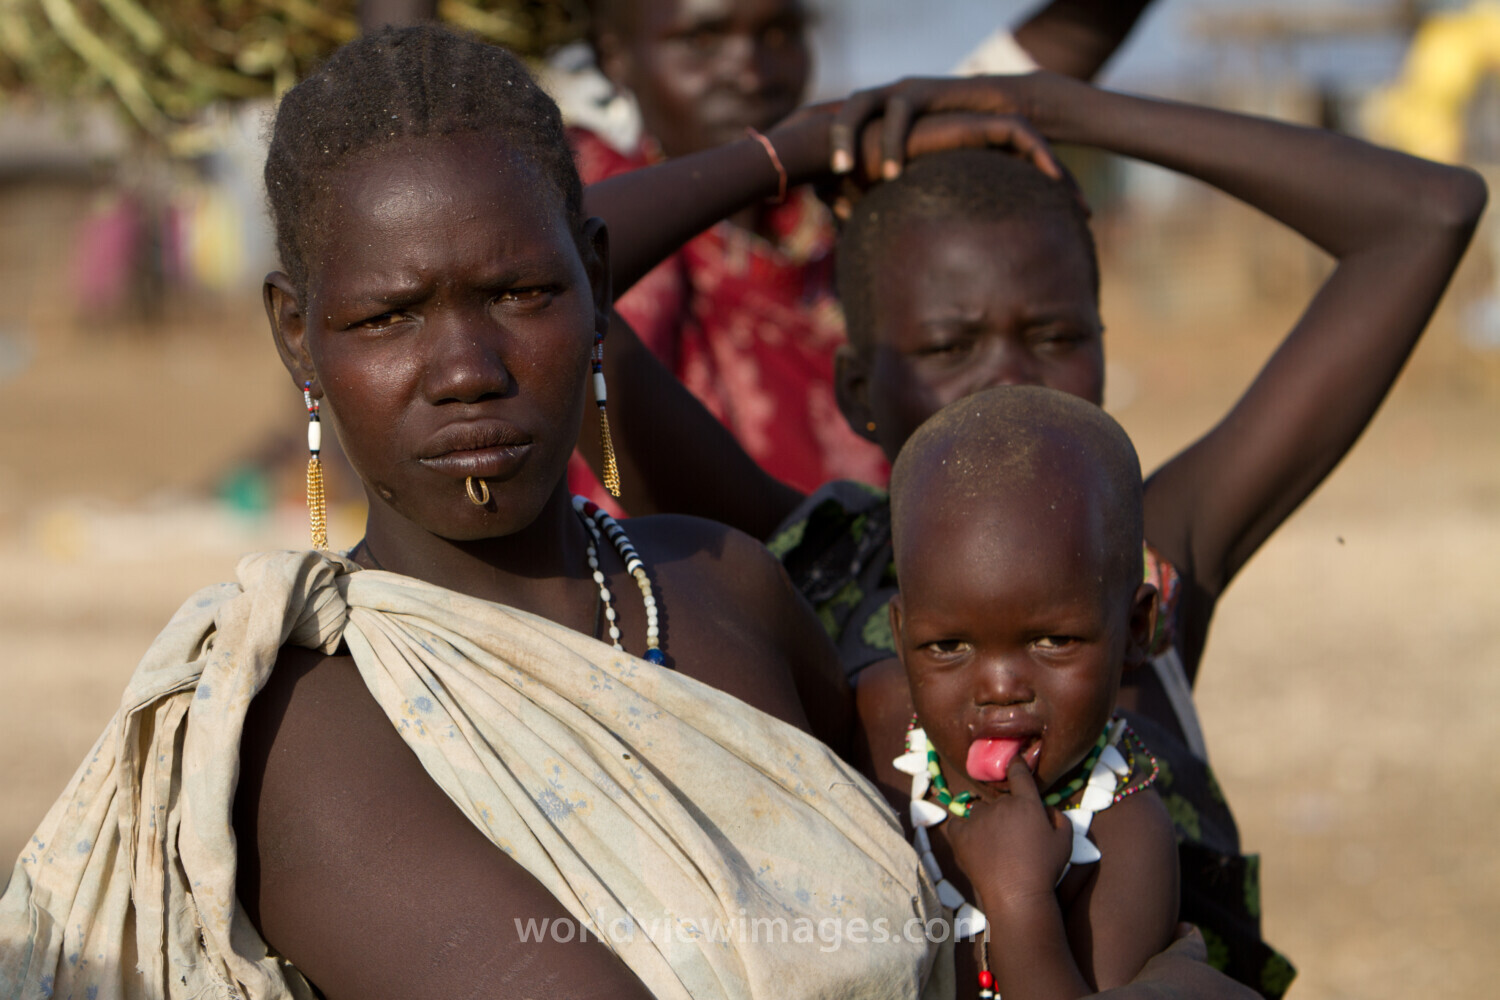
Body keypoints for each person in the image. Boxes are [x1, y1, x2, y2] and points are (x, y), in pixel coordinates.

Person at [0, 27, 1257, 1000]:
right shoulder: (313, 731)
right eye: (389, 316)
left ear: (597, 285)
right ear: (298, 335)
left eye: (522, 290)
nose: (466, 366)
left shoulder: (726, 584)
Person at [577, 70, 1488, 995]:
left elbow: (1431, 211)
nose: (1009, 378)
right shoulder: (799, 564)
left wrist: (1059, 109)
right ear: (858, 391)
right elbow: (553, 274)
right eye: (947, 348)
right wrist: (793, 152)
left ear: (1134, 623)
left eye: (1054, 335)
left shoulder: (1151, 552)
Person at [564, 0, 1157, 499]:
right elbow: (551, 265)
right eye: (702, 39)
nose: (751, 70)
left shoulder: (854, 206)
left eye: (781, 33)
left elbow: (1028, 75)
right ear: (617, 56)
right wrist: (795, 149)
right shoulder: (572, 188)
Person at [884, 386, 1179, 1000]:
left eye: (1051, 640)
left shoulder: (1122, 840)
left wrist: (1019, 900)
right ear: (900, 632)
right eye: (947, 647)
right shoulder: (877, 734)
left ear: (1134, 631)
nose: (997, 688)